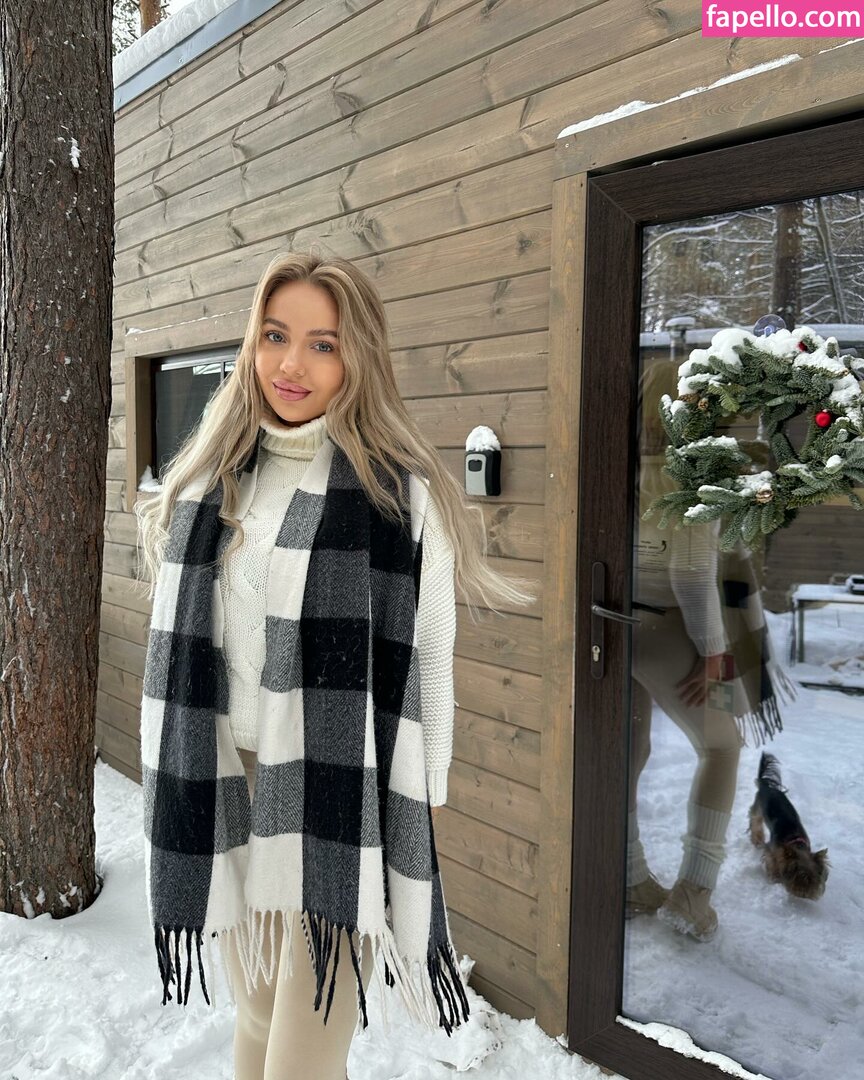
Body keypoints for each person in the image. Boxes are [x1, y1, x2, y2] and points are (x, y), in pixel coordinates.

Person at [134, 252, 534, 1080]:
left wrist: (418, 792)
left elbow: (430, 654)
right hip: (229, 788)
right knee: (257, 1014)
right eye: (275, 336)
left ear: (360, 357)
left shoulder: (397, 497)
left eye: (323, 344)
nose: (292, 364)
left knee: (305, 1056)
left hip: (342, 796)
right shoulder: (209, 482)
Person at [626, 357, 791, 941]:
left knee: (629, 754)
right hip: (671, 631)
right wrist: (716, 651)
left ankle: (629, 879)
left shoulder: (616, 460)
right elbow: (693, 574)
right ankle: (693, 897)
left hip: (616, 623)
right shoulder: (692, 470)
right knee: (723, 747)